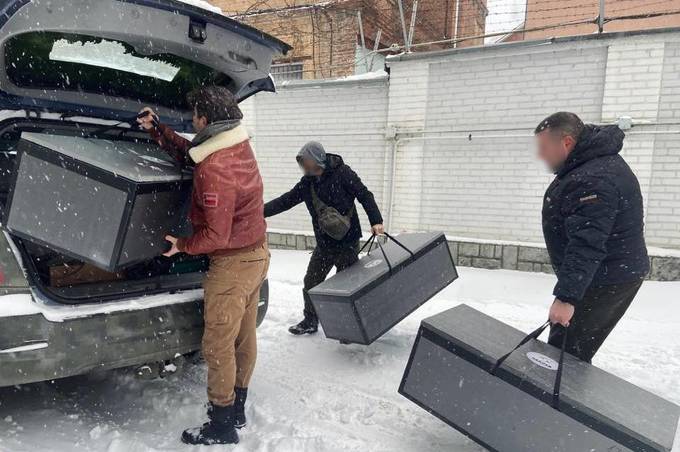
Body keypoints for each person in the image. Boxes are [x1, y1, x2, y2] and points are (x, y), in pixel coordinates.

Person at [137, 86, 270, 446]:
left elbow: (215, 237)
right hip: (256, 255)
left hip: (231, 265)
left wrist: (181, 245)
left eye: (194, 116)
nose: (192, 121)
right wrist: (158, 130)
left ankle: (222, 424)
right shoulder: (236, 146)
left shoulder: (215, 169)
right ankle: (238, 407)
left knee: (217, 345)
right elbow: (194, 154)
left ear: (206, 120)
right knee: (243, 336)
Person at [535, 112, 649, 363]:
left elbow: (587, 244)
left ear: (565, 142)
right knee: (568, 350)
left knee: (562, 354)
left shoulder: (592, 178)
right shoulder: (592, 163)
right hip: (611, 271)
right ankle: (557, 393)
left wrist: (567, 298)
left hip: (606, 277)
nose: (539, 155)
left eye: (543, 147)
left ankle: (554, 399)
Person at [264, 142, 384, 336]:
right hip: (325, 243)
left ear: (315, 158)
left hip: (347, 241)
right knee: (312, 280)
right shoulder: (307, 182)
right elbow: (286, 200)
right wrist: (258, 212)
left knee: (346, 286)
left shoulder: (343, 173)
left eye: (305, 160)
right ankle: (310, 320)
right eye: (301, 161)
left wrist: (376, 220)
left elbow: (364, 194)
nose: (302, 164)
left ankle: (349, 325)